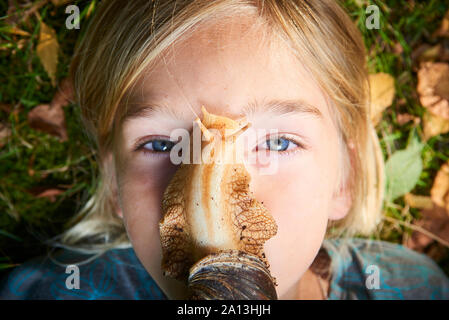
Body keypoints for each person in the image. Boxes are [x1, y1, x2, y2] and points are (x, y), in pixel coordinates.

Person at [1, 0, 448, 300]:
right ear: (115, 183)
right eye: (161, 144)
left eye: (278, 142)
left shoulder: (413, 288)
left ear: (343, 177)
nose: (215, 204)